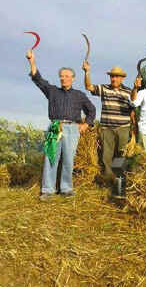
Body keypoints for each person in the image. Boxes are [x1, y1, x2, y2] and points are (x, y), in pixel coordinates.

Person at [26, 49, 96, 201]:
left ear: (73, 78)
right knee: (51, 158)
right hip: (55, 127)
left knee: (68, 159)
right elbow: (38, 79)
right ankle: (48, 190)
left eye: (67, 76)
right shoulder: (52, 91)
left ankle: (66, 188)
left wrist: (86, 125)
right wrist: (31, 60)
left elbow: (92, 110)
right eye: (62, 76)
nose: (64, 79)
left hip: (72, 129)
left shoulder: (79, 95)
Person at [83, 61, 134, 181]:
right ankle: (108, 179)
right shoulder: (104, 89)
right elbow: (88, 87)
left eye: (116, 76)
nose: (114, 78)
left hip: (123, 128)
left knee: (121, 154)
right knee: (107, 155)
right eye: (112, 76)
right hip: (107, 128)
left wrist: (134, 128)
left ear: (122, 78)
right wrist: (87, 72)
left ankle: (119, 179)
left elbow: (132, 110)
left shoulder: (129, 92)